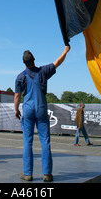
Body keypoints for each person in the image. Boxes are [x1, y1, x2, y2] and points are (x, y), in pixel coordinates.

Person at [14, 45, 70, 182]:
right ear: (34, 59)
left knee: (28, 141)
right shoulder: (43, 71)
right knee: (45, 141)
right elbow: (58, 62)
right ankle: (47, 174)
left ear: (23, 63)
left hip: (27, 109)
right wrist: (65, 50)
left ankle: (27, 174)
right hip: (41, 108)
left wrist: (16, 110)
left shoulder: (20, 76)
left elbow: (17, 96)